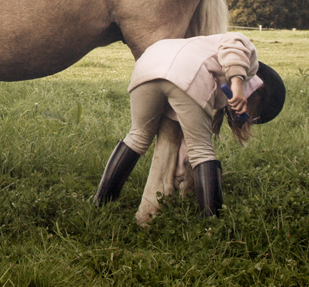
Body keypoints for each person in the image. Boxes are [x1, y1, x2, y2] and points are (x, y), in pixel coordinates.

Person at [94, 32, 287, 218]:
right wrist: (237, 84)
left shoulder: (210, 62)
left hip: (148, 65)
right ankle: (212, 221)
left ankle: (101, 204)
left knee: (137, 137)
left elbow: (183, 138)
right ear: (259, 91)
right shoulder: (248, 62)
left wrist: (177, 175)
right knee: (202, 150)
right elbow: (234, 43)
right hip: (186, 72)